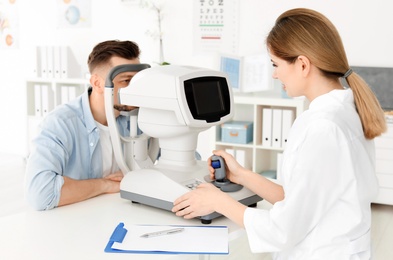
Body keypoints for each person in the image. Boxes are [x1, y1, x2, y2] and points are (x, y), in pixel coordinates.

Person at [172, 8, 387, 259]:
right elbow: (297, 197)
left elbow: (282, 229)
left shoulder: (323, 128)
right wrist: (242, 175)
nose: (274, 74)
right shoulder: (343, 109)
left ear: (303, 64)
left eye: (276, 64)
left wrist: (217, 202)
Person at [25, 40, 145, 210]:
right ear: (97, 83)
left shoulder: (139, 118)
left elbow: (183, 164)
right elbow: (40, 195)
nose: (135, 90)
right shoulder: (59, 124)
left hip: (121, 211)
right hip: (74, 222)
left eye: (138, 81)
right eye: (126, 81)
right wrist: (105, 185)